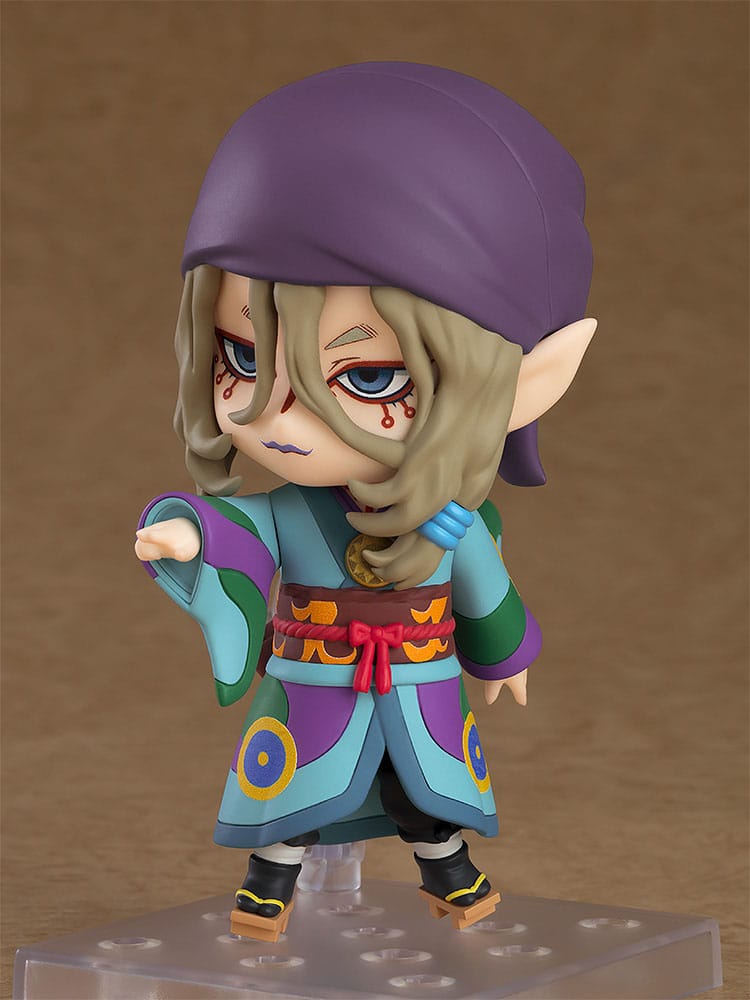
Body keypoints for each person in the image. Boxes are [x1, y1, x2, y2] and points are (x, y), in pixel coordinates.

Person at [134, 62, 595, 935]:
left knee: (423, 793)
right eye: (242, 357)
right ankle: (267, 887)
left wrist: (504, 654)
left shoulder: (449, 521)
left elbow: (484, 587)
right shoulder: (293, 513)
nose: (276, 416)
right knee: (293, 798)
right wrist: (187, 536)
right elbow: (238, 530)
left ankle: (449, 873)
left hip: (419, 680)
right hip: (314, 681)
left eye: (368, 375)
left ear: (525, 382)